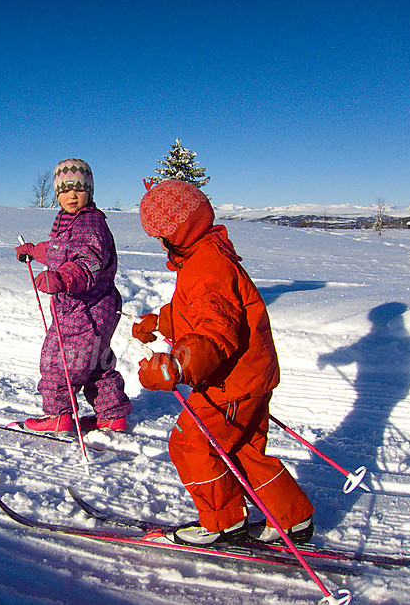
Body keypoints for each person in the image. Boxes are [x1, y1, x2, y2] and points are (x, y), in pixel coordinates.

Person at [134, 179, 314, 547]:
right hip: (252, 376)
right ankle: (293, 519)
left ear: (175, 233)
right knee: (242, 450)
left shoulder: (206, 267)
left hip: (228, 382)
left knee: (191, 445)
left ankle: (222, 522)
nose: (159, 243)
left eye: (160, 235)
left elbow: (215, 333)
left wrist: (177, 367)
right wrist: (160, 322)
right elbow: (200, 310)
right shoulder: (209, 254)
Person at [15, 158, 131, 432]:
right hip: (95, 308)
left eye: (78, 189)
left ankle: (59, 414)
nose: (71, 196)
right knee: (95, 362)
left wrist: (63, 279)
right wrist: (33, 251)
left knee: (60, 359)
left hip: (85, 309)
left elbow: (87, 261)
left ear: (89, 191)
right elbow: (60, 249)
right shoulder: (70, 222)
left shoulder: (89, 224)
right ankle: (112, 414)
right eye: (65, 191)